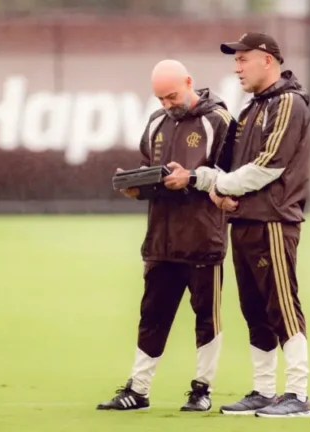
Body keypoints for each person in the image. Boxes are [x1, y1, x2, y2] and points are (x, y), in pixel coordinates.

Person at [96, 59, 237, 412]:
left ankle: (202, 390)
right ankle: (138, 390)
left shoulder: (218, 120)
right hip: (161, 239)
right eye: (160, 98)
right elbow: (151, 172)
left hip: (204, 238)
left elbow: (233, 174)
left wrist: (191, 178)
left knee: (208, 318)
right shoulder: (156, 121)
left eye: (171, 96)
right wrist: (137, 187)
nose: (166, 105)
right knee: (152, 315)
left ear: (189, 82)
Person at [211, 32, 310, 418]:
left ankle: (299, 395)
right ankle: (265, 391)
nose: (236, 67)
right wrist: (218, 192)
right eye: (234, 60)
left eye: (243, 59)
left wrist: (220, 185)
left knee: (282, 306)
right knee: (255, 310)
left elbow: (269, 165)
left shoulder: (288, 101)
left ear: (267, 60)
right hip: (245, 220)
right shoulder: (253, 106)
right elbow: (230, 167)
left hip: (273, 220)